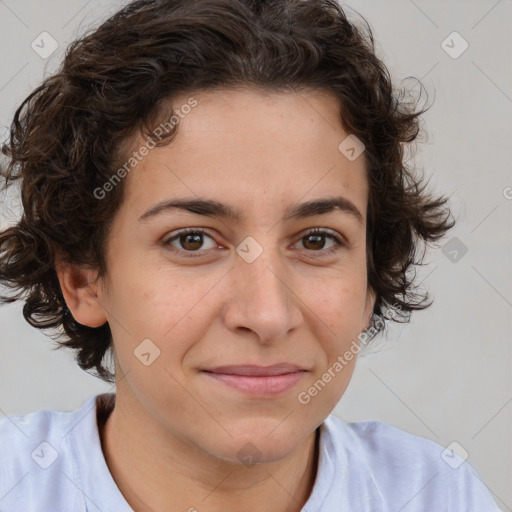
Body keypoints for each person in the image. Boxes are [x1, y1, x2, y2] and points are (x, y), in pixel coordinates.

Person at [0, 0, 501, 510]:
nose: (267, 315)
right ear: (83, 278)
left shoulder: (440, 495)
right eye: (192, 240)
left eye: (316, 240)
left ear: (372, 275)